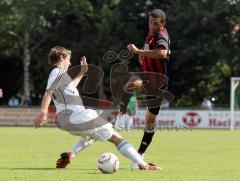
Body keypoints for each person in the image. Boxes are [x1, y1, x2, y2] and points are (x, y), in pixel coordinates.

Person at [34, 46, 160, 170]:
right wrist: (43, 112)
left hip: (67, 122)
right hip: (76, 116)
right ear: (61, 57)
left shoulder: (61, 76)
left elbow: (70, 87)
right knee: (117, 138)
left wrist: (82, 73)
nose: (70, 62)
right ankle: (143, 165)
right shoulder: (58, 72)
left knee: (92, 136)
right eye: (68, 59)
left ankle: (70, 154)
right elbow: (49, 92)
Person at [116, 9, 171, 169]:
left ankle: (139, 156)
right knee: (131, 84)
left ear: (162, 24)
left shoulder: (162, 35)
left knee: (150, 121)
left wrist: (139, 51)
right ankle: (122, 114)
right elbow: (150, 50)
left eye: (155, 23)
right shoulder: (150, 35)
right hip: (146, 76)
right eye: (150, 22)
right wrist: (142, 54)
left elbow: (162, 53)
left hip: (157, 84)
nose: (152, 26)